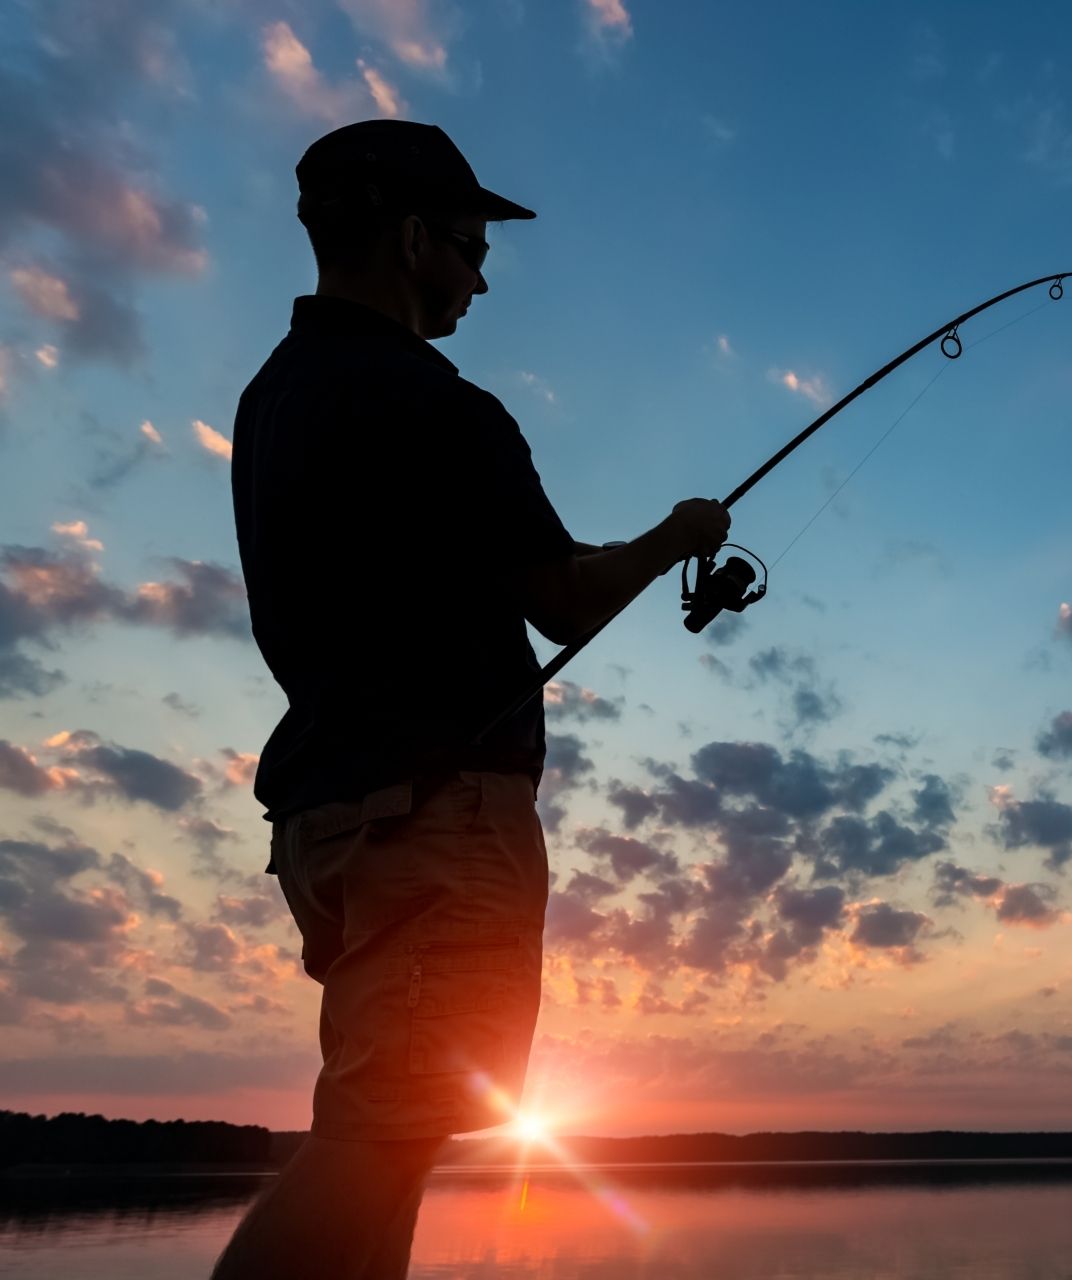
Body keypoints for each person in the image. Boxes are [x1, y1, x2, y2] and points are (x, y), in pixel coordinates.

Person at [211, 119, 728, 1280]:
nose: (484, 273)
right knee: (375, 1138)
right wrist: (674, 538)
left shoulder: (274, 399)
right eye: (471, 242)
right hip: (436, 821)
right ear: (410, 238)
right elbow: (566, 600)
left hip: (330, 822)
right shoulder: (444, 409)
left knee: (395, 1136)